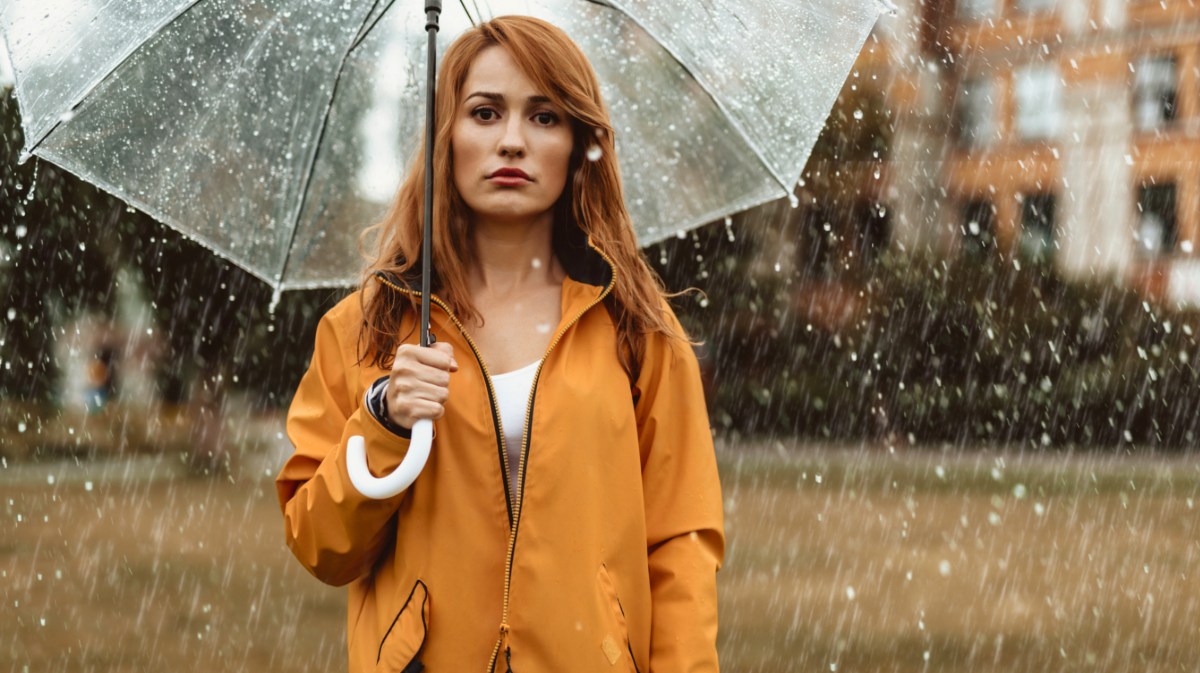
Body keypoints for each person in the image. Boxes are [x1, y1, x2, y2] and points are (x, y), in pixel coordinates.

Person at [276, 15, 724, 673]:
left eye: (544, 117)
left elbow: (681, 542)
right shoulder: (364, 328)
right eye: (484, 113)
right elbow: (321, 547)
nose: (511, 140)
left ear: (577, 144)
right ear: (446, 135)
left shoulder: (636, 329)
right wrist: (383, 422)